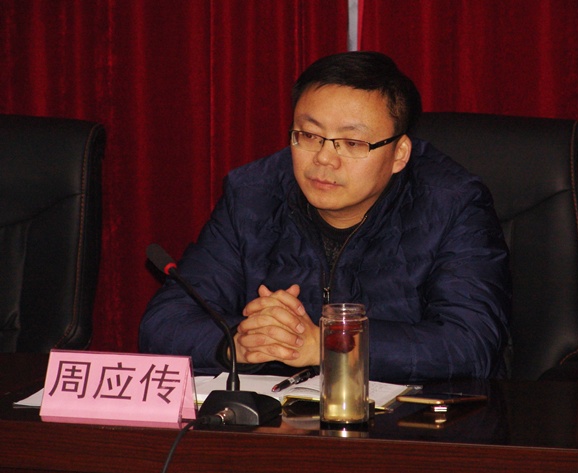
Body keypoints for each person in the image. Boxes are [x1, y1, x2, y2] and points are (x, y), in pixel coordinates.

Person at [139, 51, 510, 384]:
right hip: (280, 422)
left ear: (399, 153)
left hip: (413, 425)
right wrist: (238, 342)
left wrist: (328, 343)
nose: (324, 158)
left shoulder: (452, 203)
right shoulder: (253, 194)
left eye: (352, 143)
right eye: (309, 135)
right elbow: (165, 322)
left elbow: (470, 343)